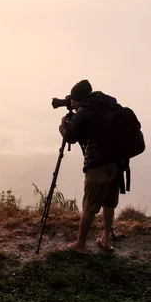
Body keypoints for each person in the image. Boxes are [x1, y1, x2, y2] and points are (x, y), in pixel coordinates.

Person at [58, 79, 120, 254]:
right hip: (117, 162)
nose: (72, 104)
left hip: (98, 164)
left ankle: (80, 244)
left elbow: (70, 136)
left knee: (90, 206)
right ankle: (105, 240)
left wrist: (63, 124)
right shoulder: (106, 103)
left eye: (73, 101)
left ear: (80, 99)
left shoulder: (85, 111)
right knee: (109, 203)